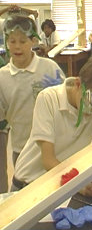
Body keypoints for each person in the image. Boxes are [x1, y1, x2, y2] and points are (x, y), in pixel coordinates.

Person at [12, 55, 92, 195]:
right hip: (28, 185)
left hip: (61, 185)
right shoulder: (49, 98)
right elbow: (48, 160)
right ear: (78, 84)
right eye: (89, 104)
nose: (91, 113)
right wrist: (78, 183)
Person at [0, 15, 65, 171]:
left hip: (54, 146)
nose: (17, 47)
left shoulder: (49, 68)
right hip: (21, 149)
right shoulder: (2, 77)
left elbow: (66, 103)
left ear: (34, 41)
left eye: (23, 41)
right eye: (12, 41)